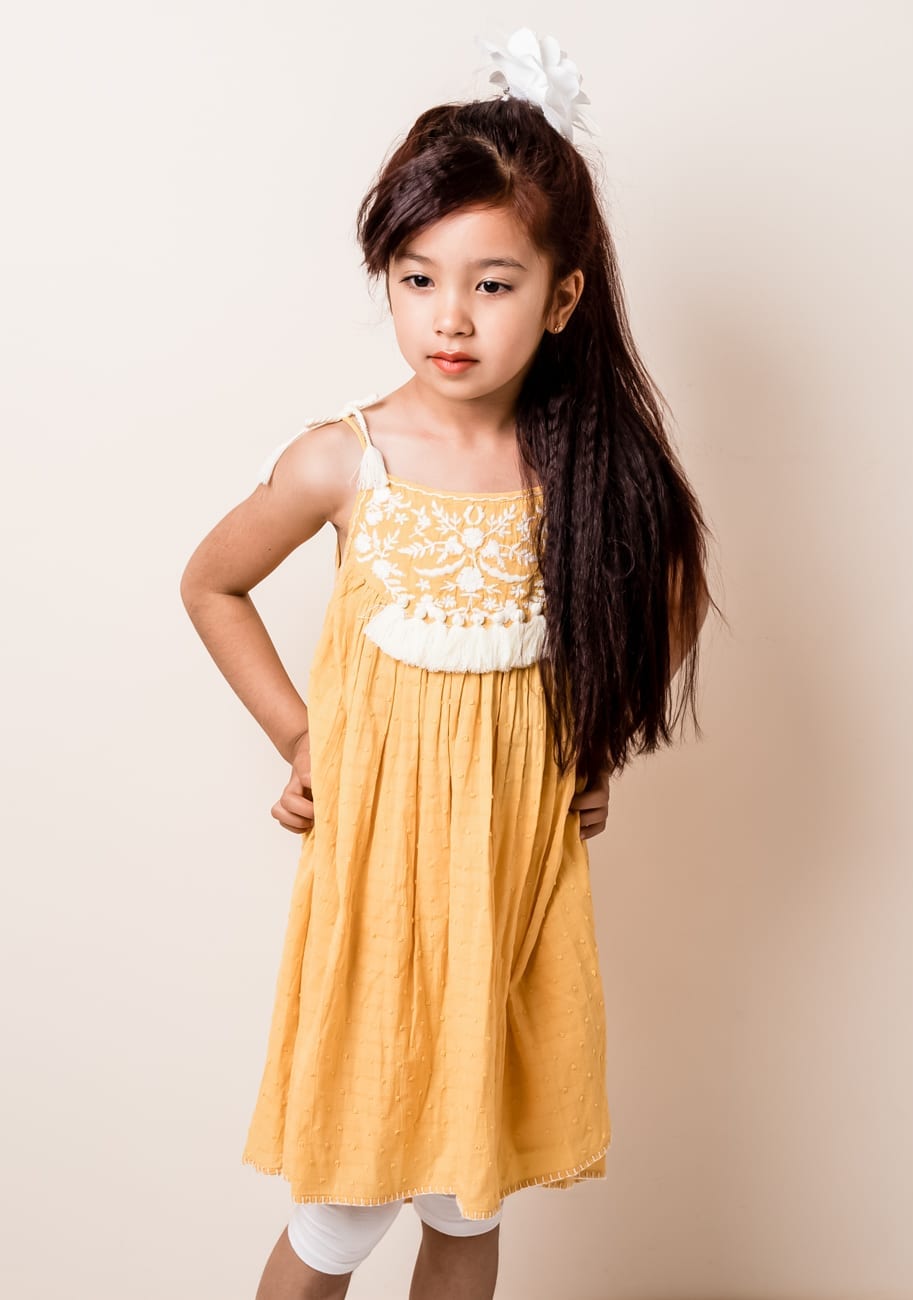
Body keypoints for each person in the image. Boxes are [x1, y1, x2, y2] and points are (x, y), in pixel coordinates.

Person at [180, 27, 719, 1300]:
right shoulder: (343, 459)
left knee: (465, 1210)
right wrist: (300, 736)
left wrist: (596, 741)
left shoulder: (583, 472)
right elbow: (211, 582)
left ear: (562, 297)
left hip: (507, 897)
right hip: (378, 899)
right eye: (418, 278)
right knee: (337, 1219)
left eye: (491, 282)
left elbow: (675, 593)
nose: (450, 317)